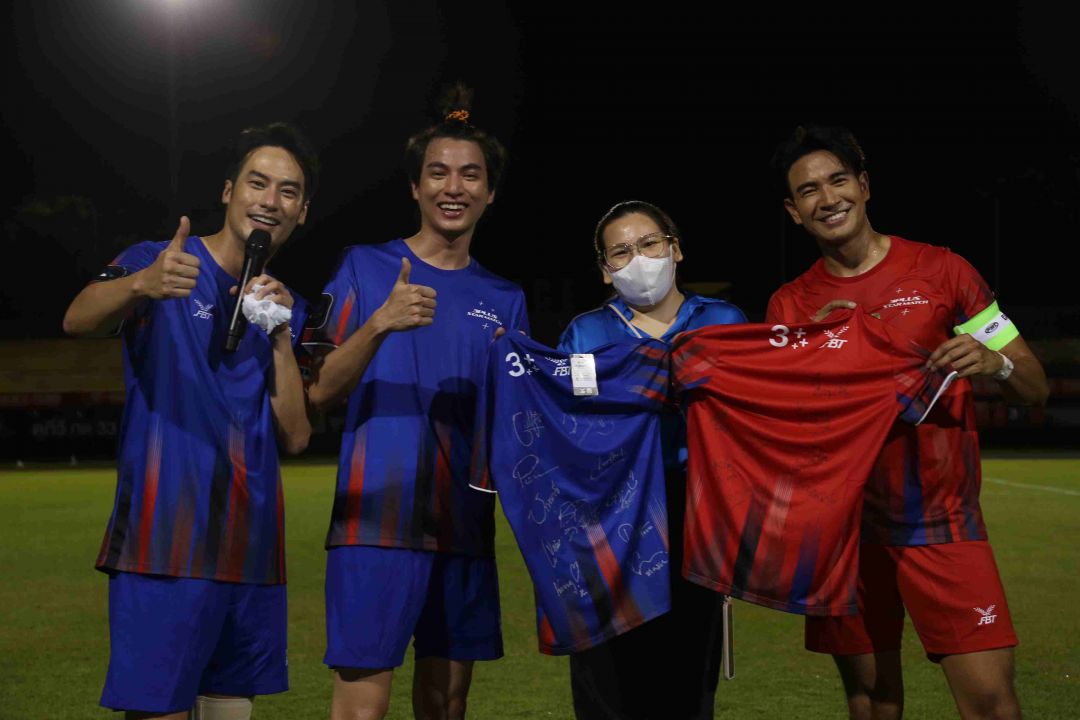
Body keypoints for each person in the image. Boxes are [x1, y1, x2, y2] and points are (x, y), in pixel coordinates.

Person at [766, 125, 1049, 720]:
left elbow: (1034, 385)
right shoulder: (790, 306)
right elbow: (784, 431)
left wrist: (995, 363)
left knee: (993, 705)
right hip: (844, 535)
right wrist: (813, 352)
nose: (828, 198)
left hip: (942, 525)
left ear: (864, 186)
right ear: (793, 211)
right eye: (809, 190)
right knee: (873, 703)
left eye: (838, 180)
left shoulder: (944, 271)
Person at [63, 122, 319, 720]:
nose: (270, 200)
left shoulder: (287, 306)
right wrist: (140, 285)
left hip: (252, 547)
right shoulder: (161, 263)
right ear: (229, 191)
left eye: (288, 191)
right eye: (257, 183)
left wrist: (281, 337)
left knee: (230, 712)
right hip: (165, 539)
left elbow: (297, 435)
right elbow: (77, 319)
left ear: (301, 212)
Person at [305, 87, 529, 720]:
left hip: (464, 524)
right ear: (415, 187)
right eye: (438, 172)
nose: (453, 187)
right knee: (361, 706)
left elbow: (516, 418)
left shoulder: (505, 298)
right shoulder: (363, 267)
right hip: (374, 521)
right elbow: (317, 389)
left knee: (446, 702)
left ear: (490, 192)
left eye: (470, 175)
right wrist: (380, 323)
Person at [557, 200, 746, 720]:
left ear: (675, 249)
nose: (638, 259)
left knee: (687, 672)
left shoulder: (723, 321)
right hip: (610, 513)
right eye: (620, 252)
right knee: (609, 675)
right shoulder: (585, 333)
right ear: (604, 270)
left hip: (696, 511)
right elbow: (566, 427)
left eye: (649, 244)